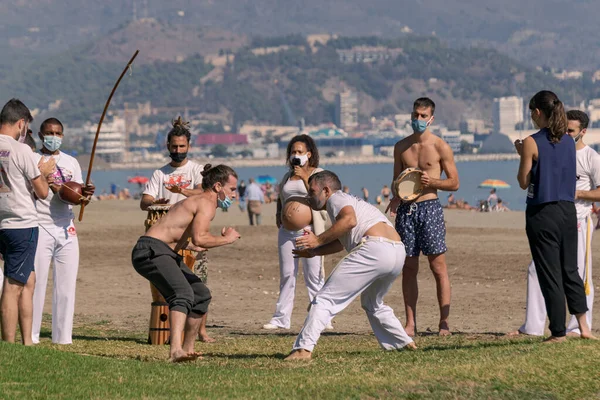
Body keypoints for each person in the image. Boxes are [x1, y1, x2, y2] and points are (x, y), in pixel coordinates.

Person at [285, 171, 416, 360]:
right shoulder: (353, 202)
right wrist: (314, 251)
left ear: (326, 190)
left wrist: (317, 240)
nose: (309, 196)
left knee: (324, 299)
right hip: (396, 251)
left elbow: (349, 221)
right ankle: (404, 344)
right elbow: (342, 241)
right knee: (373, 303)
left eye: (312, 191)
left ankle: (302, 350)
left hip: (375, 249)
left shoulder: (336, 199)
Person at [131, 164, 241, 362]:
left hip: (162, 250)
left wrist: (190, 247)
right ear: (218, 186)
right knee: (182, 294)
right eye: (232, 189)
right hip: (150, 250)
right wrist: (227, 239)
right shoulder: (206, 203)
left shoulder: (198, 201)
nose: (234, 194)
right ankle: (175, 351)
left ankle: (188, 350)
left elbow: (177, 232)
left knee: (201, 294)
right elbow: (200, 237)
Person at [514, 91, 594, 342]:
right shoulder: (569, 141)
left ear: (538, 112)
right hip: (568, 211)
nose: (531, 117)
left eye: (531, 112)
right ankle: (584, 327)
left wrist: (522, 154)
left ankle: (558, 332)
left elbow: (523, 181)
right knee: (571, 270)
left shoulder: (531, 141)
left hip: (542, 211)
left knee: (549, 273)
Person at [387, 97, 460, 337]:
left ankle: (444, 322)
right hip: (407, 211)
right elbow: (396, 181)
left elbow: (454, 183)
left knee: (438, 267)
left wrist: (433, 181)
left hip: (430, 208)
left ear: (431, 118)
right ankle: (411, 323)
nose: (417, 120)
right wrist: (395, 199)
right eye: (415, 115)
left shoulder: (440, 146)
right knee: (408, 267)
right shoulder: (401, 147)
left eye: (422, 116)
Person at [140, 117, 214, 342]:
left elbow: (203, 193)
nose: (178, 150)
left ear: (189, 146)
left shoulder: (198, 170)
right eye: (174, 147)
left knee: (198, 281)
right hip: (165, 237)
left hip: (191, 234)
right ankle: (169, 333)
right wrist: (157, 201)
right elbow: (145, 201)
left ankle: (201, 330)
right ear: (168, 147)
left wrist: (180, 191)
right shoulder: (159, 173)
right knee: (167, 284)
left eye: (182, 146)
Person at [31, 118, 95, 345]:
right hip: (40, 224)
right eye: (49, 133)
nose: (54, 137)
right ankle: (32, 335)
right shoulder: (33, 158)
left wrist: (85, 194)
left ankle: (63, 338)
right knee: (37, 284)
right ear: (40, 135)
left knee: (66, 286)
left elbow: (78, 197)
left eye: (58, 133)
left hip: (66, 226)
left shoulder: (71, 162)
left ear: (63, 136)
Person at [0, 98, 55, 345]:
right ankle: (10, 344)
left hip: (2, 222)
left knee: (27, 279)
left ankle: (28, 341)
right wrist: (44, 172)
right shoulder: (21, 150)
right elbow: (42, 192)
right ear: (21, 124)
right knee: (13, 286)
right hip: (21, 223)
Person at [264, 134, 330, 331]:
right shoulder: (287, 176)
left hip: (308, 232)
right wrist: (279, 213)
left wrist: (304, 176)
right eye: (293, 152)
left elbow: (321, 196)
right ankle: (281, 318)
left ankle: (322, 318)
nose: (296, 155)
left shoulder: (317, 173)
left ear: (309, 154)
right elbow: (281, 196)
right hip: (287, 232)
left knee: (314, 276)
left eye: (300, 152)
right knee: (287, 275)